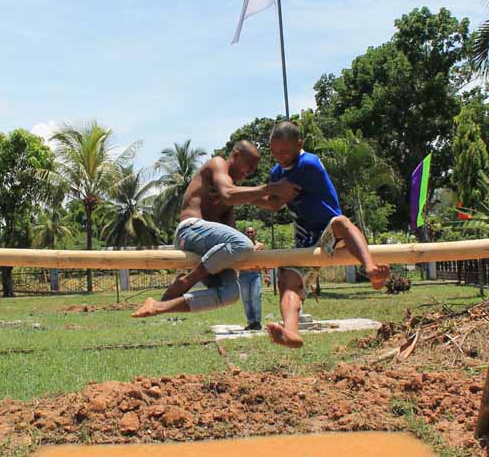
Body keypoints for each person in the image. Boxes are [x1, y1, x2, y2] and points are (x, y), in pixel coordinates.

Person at [255, 121, 390, 348]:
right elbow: (273, 201)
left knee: (341, 222)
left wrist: (236, 195)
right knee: (288, 280)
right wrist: (236, 197)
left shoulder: (308, 164)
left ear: (300, 144)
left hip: (329, 229)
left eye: (285, 152)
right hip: (305, 237)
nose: (279, 157)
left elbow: (278, 199)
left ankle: (370, 269)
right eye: (274, 152)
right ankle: (290, 332)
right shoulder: (276, 172)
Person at [132, 141, 299, 318]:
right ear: (236, 156)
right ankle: (188, 280)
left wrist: (290, 192)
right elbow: (228, 194)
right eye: (249, 165)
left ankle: (160, 306)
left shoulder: (232, 197)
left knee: (231, 293)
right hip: (189, 231)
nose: (250, 172)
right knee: (243, 243)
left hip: (207, 248)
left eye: (254, 169)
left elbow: (270, 204)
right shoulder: (217, 164)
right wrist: (271, 187)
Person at [239, 226, 270, 330]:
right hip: (243, 275)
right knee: (246, 299)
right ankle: (250, 322)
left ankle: (257, 321)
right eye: (248, 232)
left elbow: (265, 261)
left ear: (255, 233)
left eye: (252, 232)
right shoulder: (241, 246)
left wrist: (267, 275)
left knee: (256, 297)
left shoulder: (260, 246)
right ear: (245, 234)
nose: (250, 234)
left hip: (255, 274)